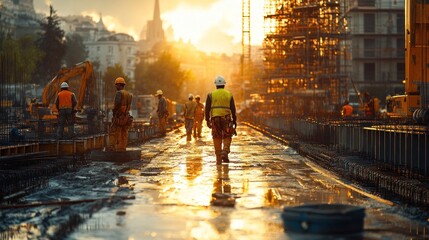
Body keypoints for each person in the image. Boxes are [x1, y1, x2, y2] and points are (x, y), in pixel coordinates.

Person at [205, 75, 237, 164]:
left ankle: (218, 159)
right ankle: (225, 151)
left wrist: (207, 120)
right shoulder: (229, 94)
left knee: (216, 137)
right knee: (227, 135)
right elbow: (233, 109)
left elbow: (207, 108)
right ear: (224, 85)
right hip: (226, 119)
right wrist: (234, 120)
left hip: (215, 119)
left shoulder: (211, 95)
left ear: (216, 85)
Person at [108, 77, 133, 152]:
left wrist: (114, 112)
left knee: (114, 131)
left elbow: (117, 104)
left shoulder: (119, 93)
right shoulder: (128, 94)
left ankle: (113, 147)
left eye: (116, 85)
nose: (116, 86)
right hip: (126, 116)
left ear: (119, 85)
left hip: (119, 116)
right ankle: (122, 148)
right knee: (124, 133)